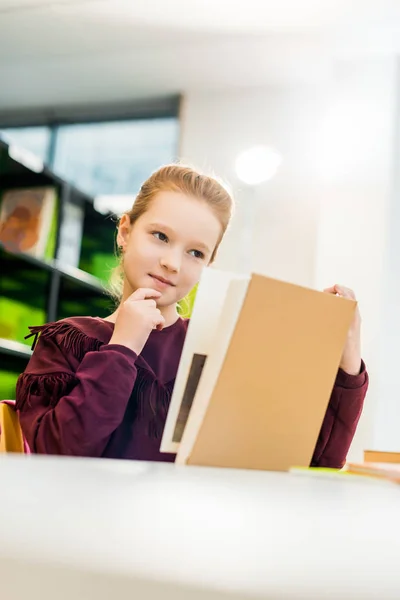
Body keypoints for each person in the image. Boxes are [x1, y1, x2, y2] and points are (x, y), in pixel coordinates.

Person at [15, 164, 368, 467]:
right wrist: (121, 347)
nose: (173, 262)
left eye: (196, 252)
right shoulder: (67, 338)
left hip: (197, 534)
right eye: (160, 236)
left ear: (208, 264)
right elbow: (57, 456)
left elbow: (314, 464)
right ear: (125, 232)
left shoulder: (222, 349)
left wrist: (347, 363)